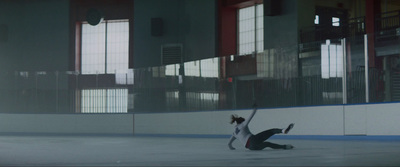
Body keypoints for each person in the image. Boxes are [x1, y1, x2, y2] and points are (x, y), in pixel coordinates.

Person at [228, 104, 295, 150]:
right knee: (271, 131)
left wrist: (231, 148)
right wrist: (255, 108)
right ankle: (283, 130)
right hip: (252, 139)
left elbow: (229, 144)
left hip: (251, 148)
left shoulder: (234, 132)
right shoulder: (243, 124)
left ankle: (285, 147)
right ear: (242, 121)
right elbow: (251, 116)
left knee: (267, 144)